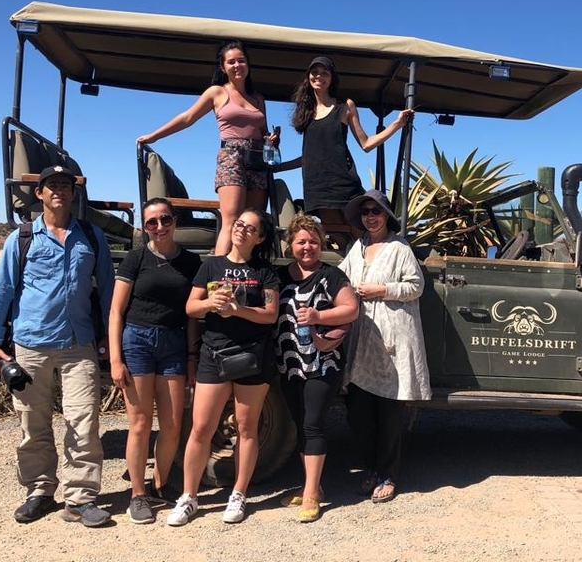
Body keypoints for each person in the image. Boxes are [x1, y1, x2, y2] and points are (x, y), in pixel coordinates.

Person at [0, 165, 114, 527]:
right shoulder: (21, 238)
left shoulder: (91, 236)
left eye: (65, 185)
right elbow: (2, 290)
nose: (59, 191)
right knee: (32, 423)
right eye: (52, 185)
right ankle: (39, 490)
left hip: (78, 343)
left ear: (73, 193)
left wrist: (109, 337)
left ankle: (80, 499)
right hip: (30, 344)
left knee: (84, 421)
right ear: (39, 193)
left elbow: (109, 291)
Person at [168, 208, 279, 527]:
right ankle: (189, 497)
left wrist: (239, 309)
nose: (242, 230)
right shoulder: (211, 266)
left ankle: (238, 494)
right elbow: (191, 307)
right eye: (239, 224)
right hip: (214, 354)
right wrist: (210, 305)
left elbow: (270, 314)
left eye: (251, 228)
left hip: (252, 357)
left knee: (247, 428)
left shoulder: (265, 271)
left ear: (259, 238)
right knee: (201, 428)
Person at [108, 197, 202, 524]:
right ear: (145, 227)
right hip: (137, 340)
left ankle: (160, 483)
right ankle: (137, 493)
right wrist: (115, 359)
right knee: (140, 423)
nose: (159, 227)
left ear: (175, 221)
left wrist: (191, 357)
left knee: (174, 424)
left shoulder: (191, 262)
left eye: (165, 220)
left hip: (174, 342)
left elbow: (191, 315)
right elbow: (116, 311)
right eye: (152, 222)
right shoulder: (136, 259)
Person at [137, 40, 279, 255]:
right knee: (231, 219)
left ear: (248, 64)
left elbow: (263, 130)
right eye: (231, 62)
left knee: (253, 221)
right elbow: (187, 117)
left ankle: (248, 273)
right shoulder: (217, 92)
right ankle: (220, 275)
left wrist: (271, 139)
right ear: (223, 67)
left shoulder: (258, 98)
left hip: (257, 159)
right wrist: (154, 135)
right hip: (231, 156)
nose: (237, 65)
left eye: (241, 60)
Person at [338, 189, 432, 503]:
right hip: (364, 337)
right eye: (365, 212)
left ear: (386, 215)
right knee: (360, 412)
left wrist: (383, 289)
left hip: (392, 337)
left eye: (375, 211)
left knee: (390, 412)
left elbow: (416, 286)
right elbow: (342, 277)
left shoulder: (399, 247)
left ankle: (388, 473)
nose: (370, 217)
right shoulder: (359, 246)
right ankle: (371, 469)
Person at [273, 213, 358, 522]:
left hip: (322, 363)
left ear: (321, 243)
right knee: (299, 425)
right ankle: (312, 486)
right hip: (289, 363)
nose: (307, 247)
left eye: (312, 241)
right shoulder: (280, 276)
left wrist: (319, 318)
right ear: (290, 245)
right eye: (300, 241)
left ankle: (311, 492)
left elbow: (351, 308)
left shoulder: (332, 275)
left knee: (313, 425)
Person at [288, 55, 413, 221]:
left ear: (332, 78)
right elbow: (310, 156)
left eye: (324, 73)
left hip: (343, 183)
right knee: (337, 235)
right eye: (314, 72)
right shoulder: (305, 111)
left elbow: (366, 144)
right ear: (308, 77)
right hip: (316, 187)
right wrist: (276, 168)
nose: (318, 76)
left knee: (359, 234)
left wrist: (397, 124)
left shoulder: (345, 106)